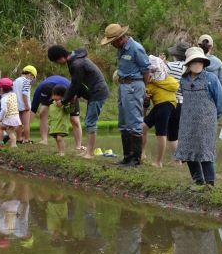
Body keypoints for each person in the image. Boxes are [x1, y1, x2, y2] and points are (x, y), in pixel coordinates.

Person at [101, 23, 151, 166]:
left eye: (113, 42)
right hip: (123, 85)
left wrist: (144, 89)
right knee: (123, 122)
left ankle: (136, 159)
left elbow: (146, 69)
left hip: (134, 85)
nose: (111, 45)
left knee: (134, 121)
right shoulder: (121, 49)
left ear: (120, 38)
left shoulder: (136, 48)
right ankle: (127, 157)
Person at [48, 45, 110, 160]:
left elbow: (75, 84)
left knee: (90, 122)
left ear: (60, 57)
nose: (58, 64)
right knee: (89, 121)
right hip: (94, 92)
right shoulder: (75, 59)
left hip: (98, 92)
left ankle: (89, 153)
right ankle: (88, 151)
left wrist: (64, 100)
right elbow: (78, 83)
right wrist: (76, 95)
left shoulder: (77, 64)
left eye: (56, 61)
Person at [174, 47, 222, 187]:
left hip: (206, 122)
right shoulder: (183, 80)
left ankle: (210, 183)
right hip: (187, 121)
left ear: (203, 62)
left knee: (205, 150)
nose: (197, 64)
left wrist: (213, 118)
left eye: (199, 61)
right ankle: (198, 180)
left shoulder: (211, 79)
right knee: (188, 149)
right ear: (188, 64)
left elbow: (219, 103)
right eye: (194, 61)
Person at [142, 65, 180, 168]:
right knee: (143, 127)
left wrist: (143, 113)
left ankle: (158, 162)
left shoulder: (150, 82)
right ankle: (142, 154)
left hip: (163, 105)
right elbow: (176, 86)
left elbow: (146, 103)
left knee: (161, 133)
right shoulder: (167, 79)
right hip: (170, 104)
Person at [31, 73, 81, 150]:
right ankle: (44, 140)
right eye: (53, 98)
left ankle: (78, 145)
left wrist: (70, 104)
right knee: (42, 112)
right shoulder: (41, 88)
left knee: (75, 120)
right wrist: (25, 128)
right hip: (52, 89)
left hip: (69, 94)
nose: (54, 100)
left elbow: (71, 107)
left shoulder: (69, 90)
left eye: (56, 98)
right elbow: (33, 109)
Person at [165, 42, 189, 157]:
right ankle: (185, 158)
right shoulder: (190, 67)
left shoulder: (171, 66)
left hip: (175, 103)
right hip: (188, 103)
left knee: (173, 133)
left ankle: (178, 159)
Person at [198, 34, 222, 111]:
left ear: (198, 46)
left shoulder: (193, 61)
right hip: (213, 100)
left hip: (197, 100)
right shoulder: (218, 62)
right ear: (211, 47)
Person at [47, 85, 74, 156]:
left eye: (57, 95)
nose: (54, 97)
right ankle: (59, 151)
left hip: (62, 125)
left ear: (62, 96)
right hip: (54, 125)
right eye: (54, 95)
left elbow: (69, 110)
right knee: (56, 139)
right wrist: (49, 123)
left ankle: (62, 152)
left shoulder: (65, 104)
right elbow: (50, 115)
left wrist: (68, 104)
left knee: (59, 138)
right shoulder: (52, 105)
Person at [12, 65, 37, 143]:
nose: (32, 80)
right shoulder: (26, 81)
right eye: (33, 77)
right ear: (29, 74)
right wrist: (27, 105)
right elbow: (24, 93)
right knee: (26, 124)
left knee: (18, 123)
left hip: (16, 105)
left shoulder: (15, 81)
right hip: (24, 105)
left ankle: (19, 139)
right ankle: (26, 139)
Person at [0, 77, 21, 147]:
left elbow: (4, 110)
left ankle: (1, 142)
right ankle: (13, 144)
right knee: (11, 131)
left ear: (1, 89)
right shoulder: (13, 95)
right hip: (16, 118)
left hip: (9, 119)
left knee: (0, 127)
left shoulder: (4, 98)